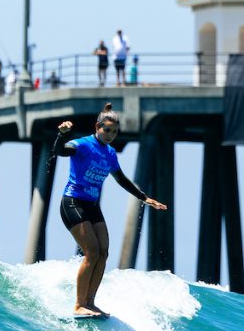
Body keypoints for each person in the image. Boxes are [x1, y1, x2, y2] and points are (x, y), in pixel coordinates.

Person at [53, 103, 167, 318]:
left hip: (92, 206)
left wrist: (144, 198)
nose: (110, 135)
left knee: (103, 253)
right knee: (92, 252)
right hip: (73, 203)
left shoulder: (110, 153)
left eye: (114, 132)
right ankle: (79, 304)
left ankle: (91, 302)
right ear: (97, 127)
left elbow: (121, 179)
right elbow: (60, 151)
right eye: (107, 130)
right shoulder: (83, 145)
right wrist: (61, 134)